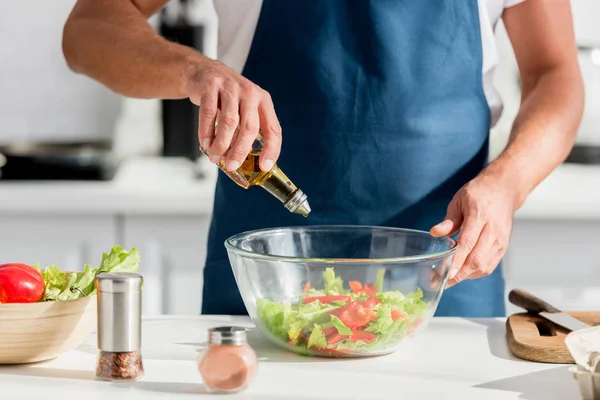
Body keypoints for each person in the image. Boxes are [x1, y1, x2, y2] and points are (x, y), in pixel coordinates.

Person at [62, 0, 583, 317]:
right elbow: (88, 30)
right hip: (264, 287)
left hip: (446, 282)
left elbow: (555, 73)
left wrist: (507, 184)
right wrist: (196, 71)